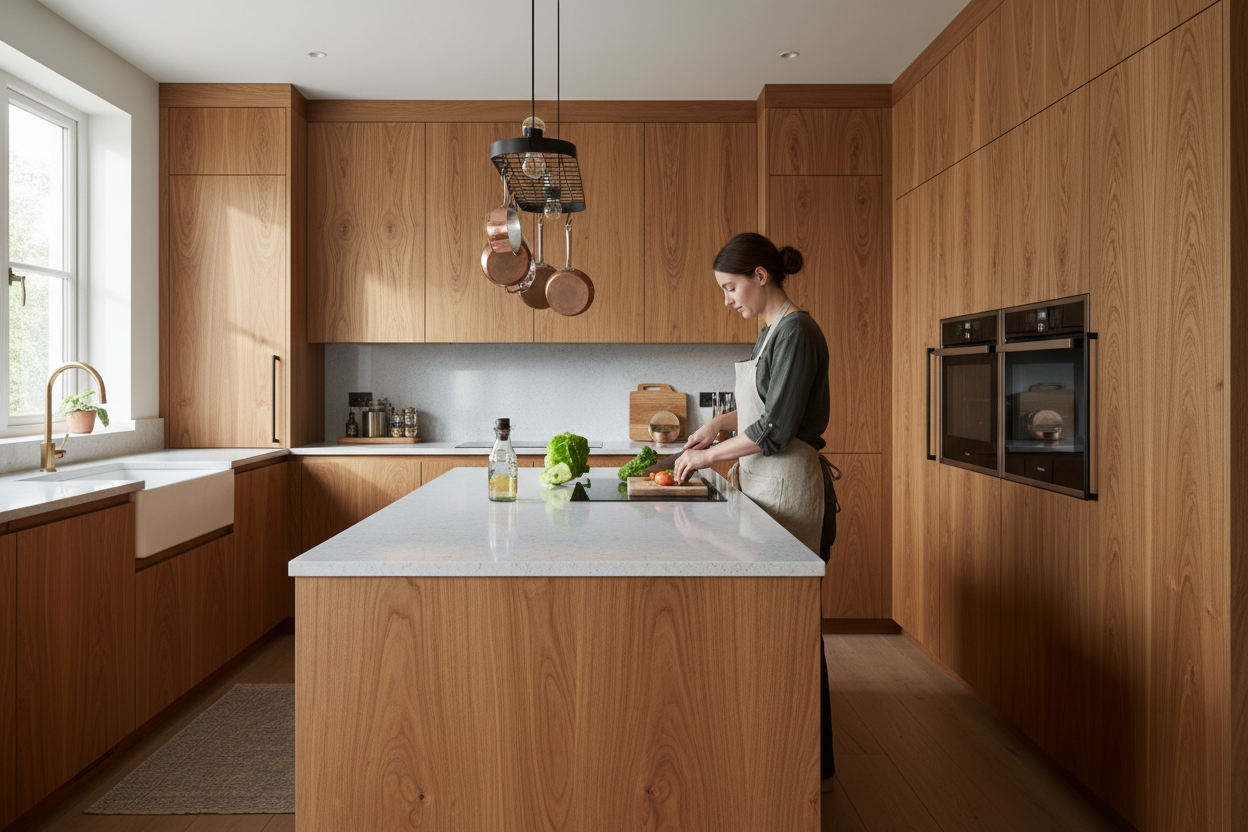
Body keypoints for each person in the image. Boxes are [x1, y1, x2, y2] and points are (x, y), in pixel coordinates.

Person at [673, 231, 837, 793]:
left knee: (790, 623)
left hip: (788, 486)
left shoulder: (797, 332)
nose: (728, 300)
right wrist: (711, 427)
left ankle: (814, 767)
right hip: (765, 485)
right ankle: (772, 753)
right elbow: (751, 407)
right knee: (771, 619)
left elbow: (773, 428)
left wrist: (708, 457)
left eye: (731, 287)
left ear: (761, 276)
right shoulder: (770, 333)